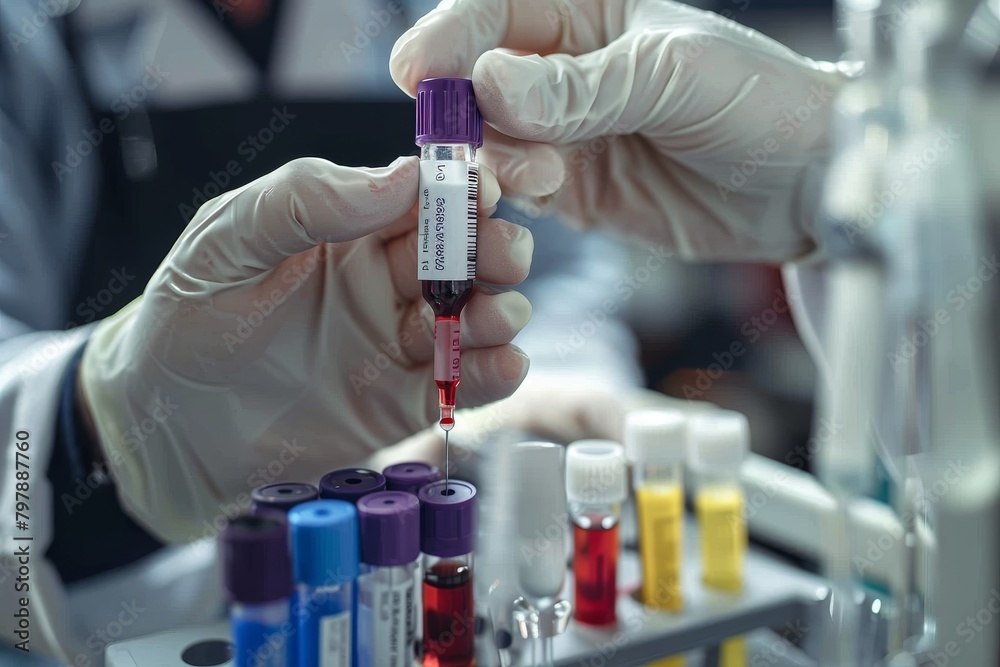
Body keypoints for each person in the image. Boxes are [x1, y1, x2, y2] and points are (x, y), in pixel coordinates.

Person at [0, 0, 854, 664]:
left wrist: (534, 382)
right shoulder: (31, 40)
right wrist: (100, 416)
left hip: (422, 552)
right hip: (113, 599)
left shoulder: (441, 24)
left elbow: (552, 259)